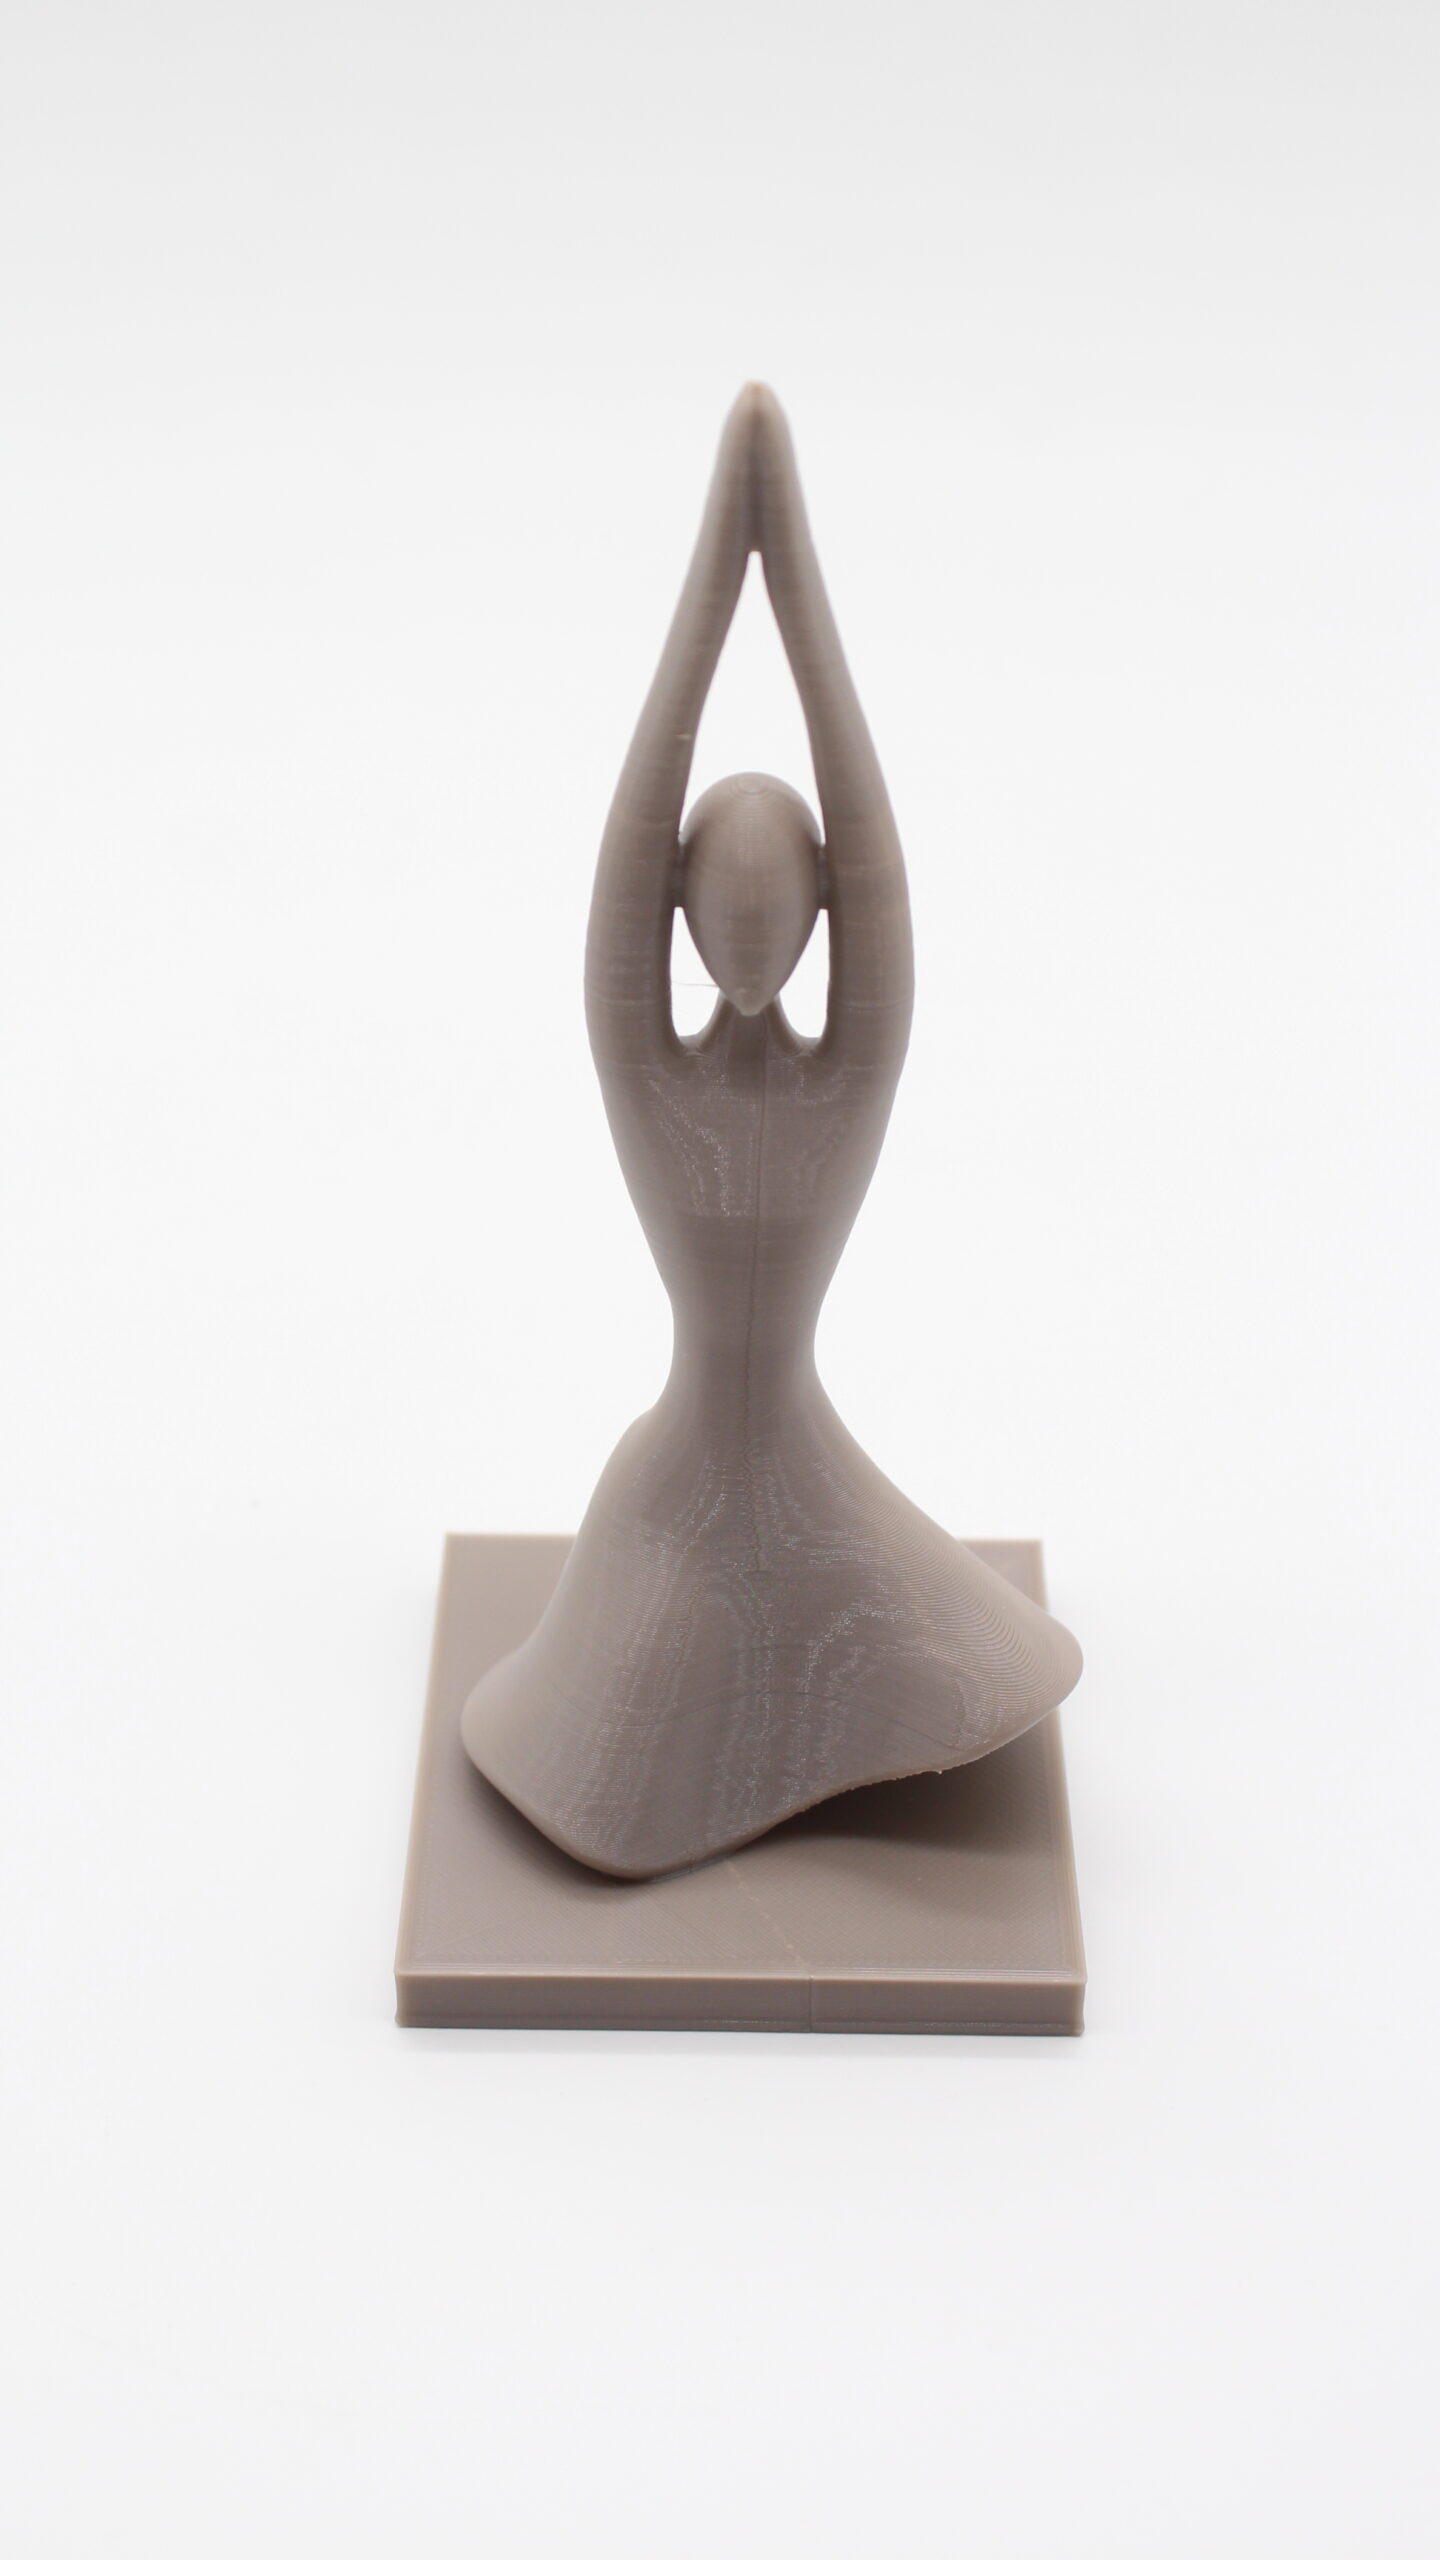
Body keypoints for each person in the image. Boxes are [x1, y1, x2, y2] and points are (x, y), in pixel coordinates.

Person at [462, 387, 1080, 1878]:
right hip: (684, 1476)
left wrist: (786, 573)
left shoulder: (843, 1073)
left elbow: (864, 838)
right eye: (717, 909)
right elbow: (631, 854)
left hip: (797, 1469)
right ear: (676, 912)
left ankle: (789, 1707)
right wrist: (721, 570)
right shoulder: (652, 1069)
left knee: (843, 1629)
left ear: (823, 916)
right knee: (632, 1738)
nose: (751, 941)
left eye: (784, 907)